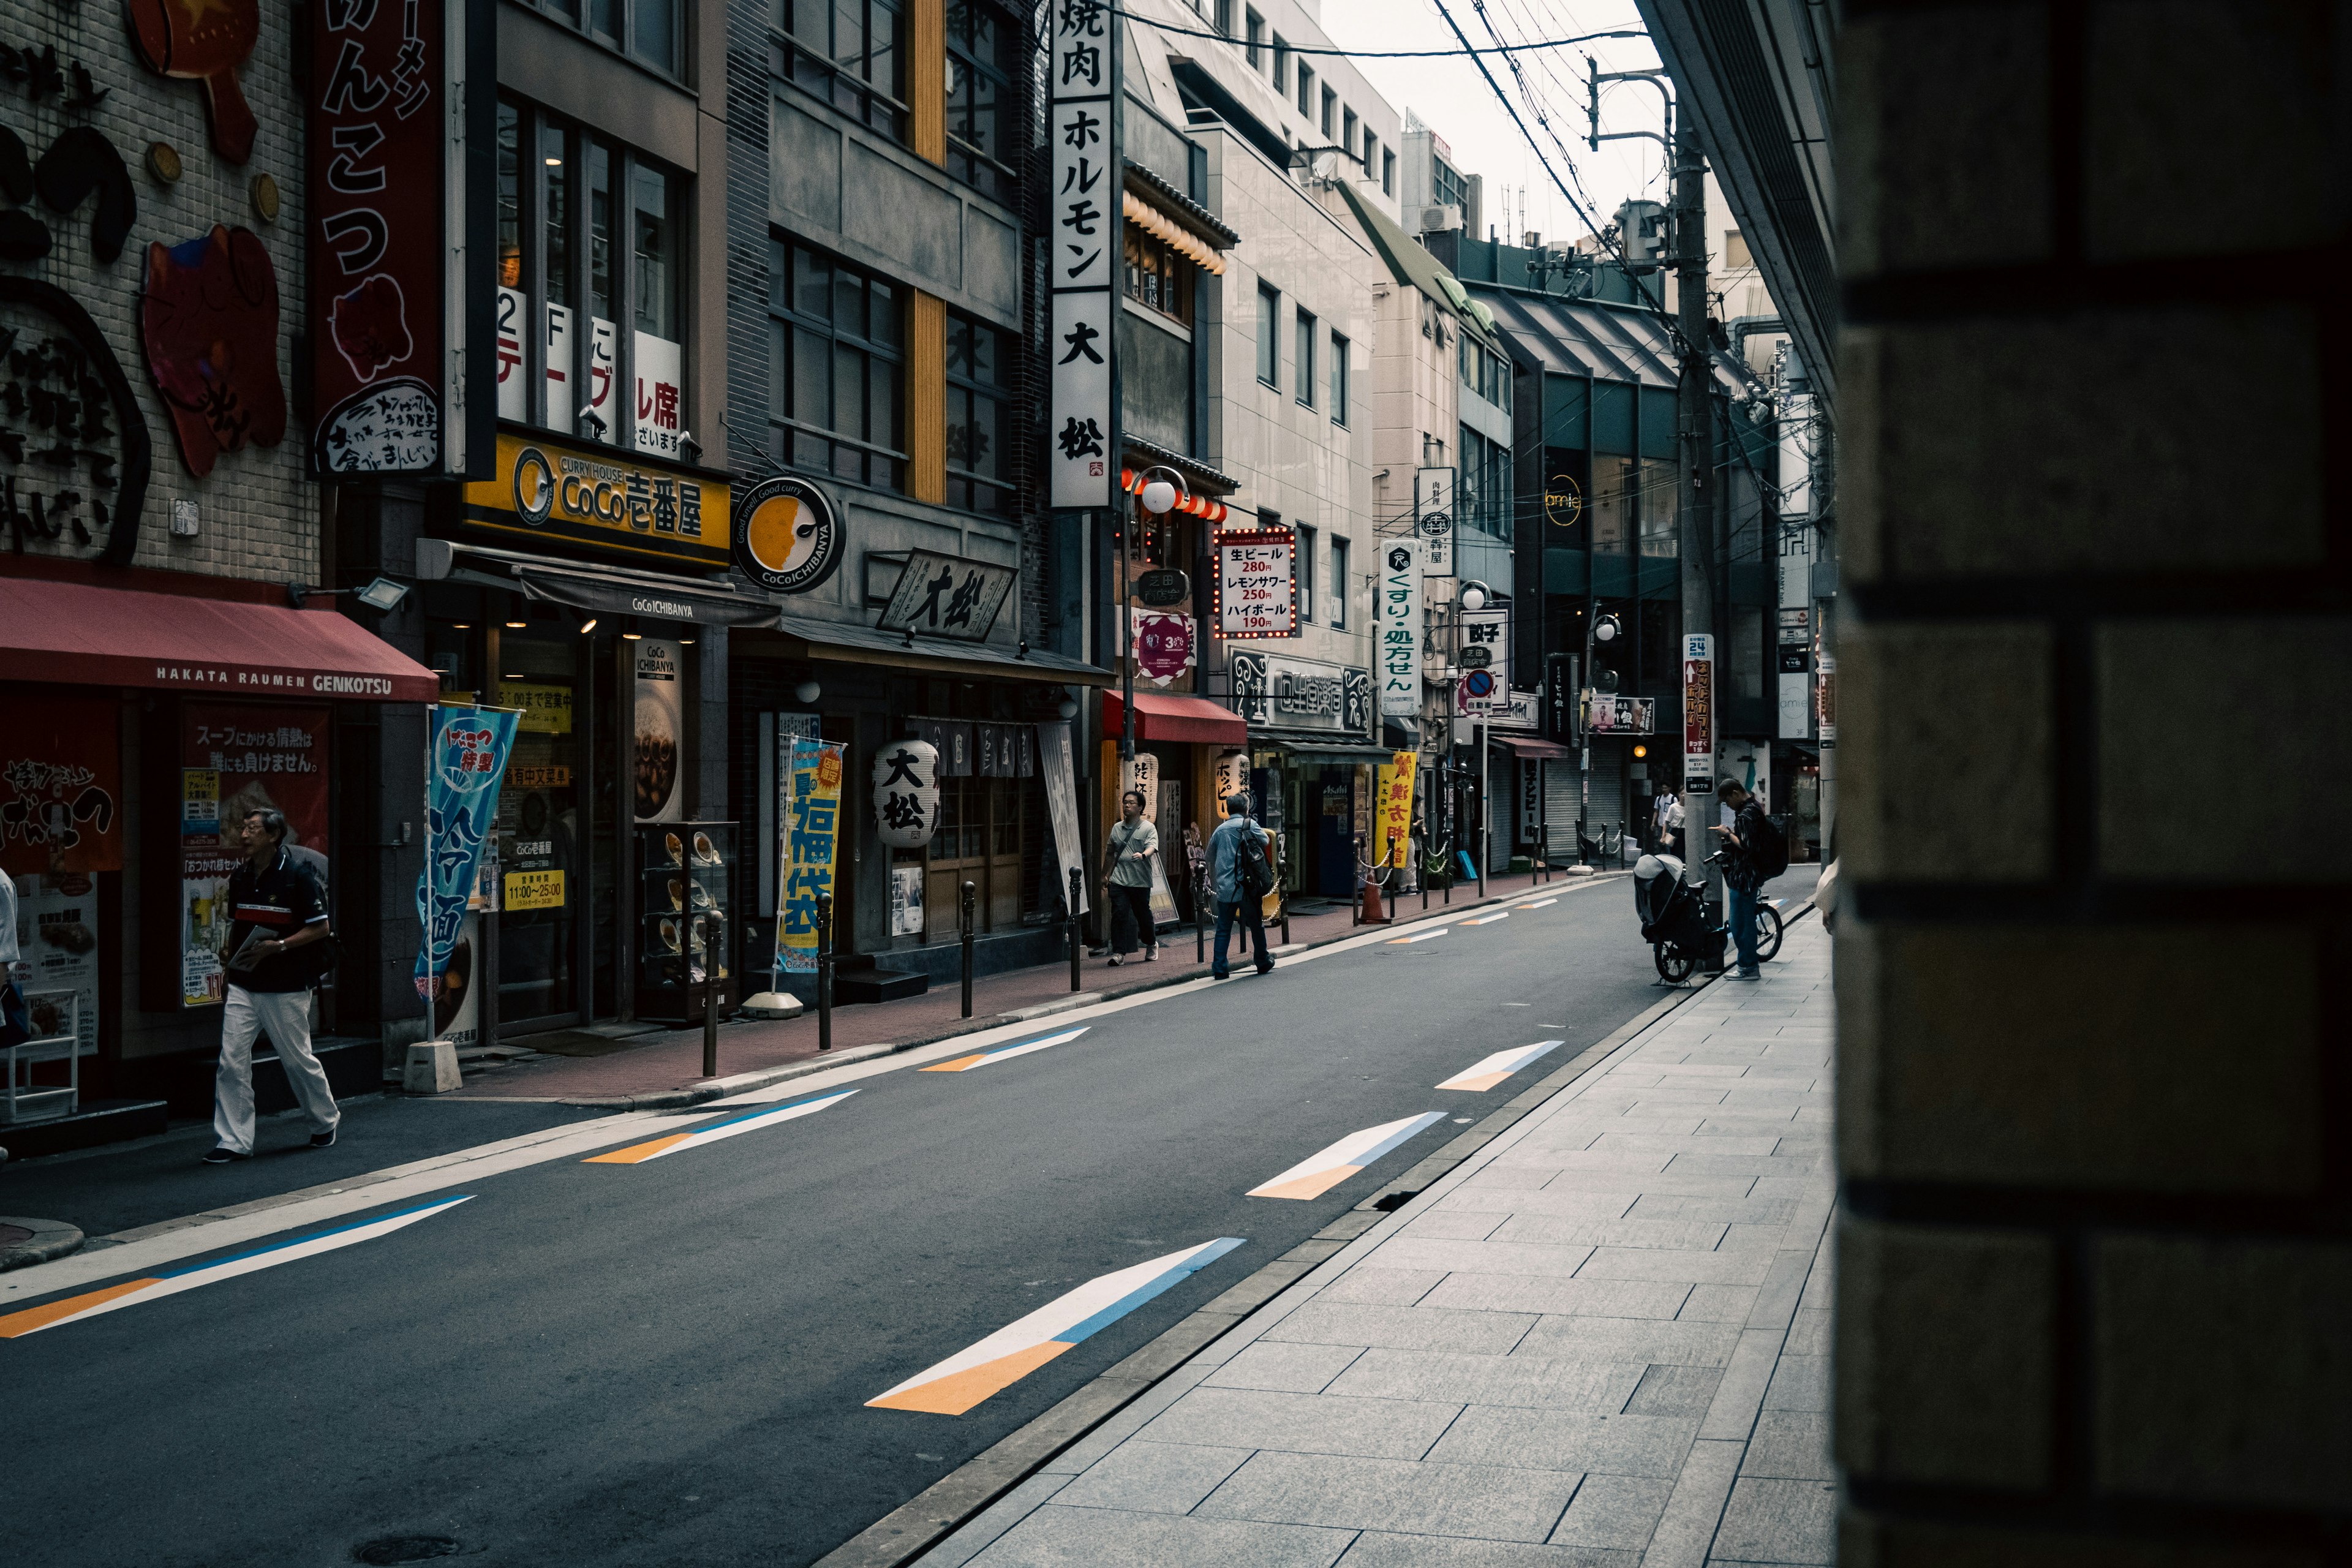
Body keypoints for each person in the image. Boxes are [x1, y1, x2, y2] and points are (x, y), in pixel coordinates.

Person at [205, 807, 340, 1163]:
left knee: (296, 1059)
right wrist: (229, 966)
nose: (244, 835)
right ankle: (234, 1140)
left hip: (288, 984)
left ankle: (324, 1120)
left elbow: (321, 927)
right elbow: (237, 925)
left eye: (252, 829)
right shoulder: (240, 877)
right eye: (243, 828)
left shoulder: (298, 876)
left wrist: (278, 946)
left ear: (273, 836)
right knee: (231, 1061)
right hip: (245, 984)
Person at [1711, 778, 1775, 981]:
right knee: (1744, 920)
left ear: (1736, 793)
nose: (1727, 805)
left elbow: (1746, 845)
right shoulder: (1755, 807)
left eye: (1727, 800)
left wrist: (1728, 834)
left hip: (1744, 875)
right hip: (1750, 873)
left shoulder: (1747, 814)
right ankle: (1748, 965)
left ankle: (1748, 966)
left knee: (1741, 923)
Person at [1208, 792, 1275, 980]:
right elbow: (1265, 841)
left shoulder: (1220, 830)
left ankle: (1220, 967)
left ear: (1228, 810)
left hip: (1226, 887)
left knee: (1223, 928)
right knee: (1256, 925)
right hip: (1247, 886)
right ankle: (1262, 960)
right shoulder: (1249, 825)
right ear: (1246, 809)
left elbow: (1210, 856)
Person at [1099, 790, 1159, 966]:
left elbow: (1152, 847)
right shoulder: (1117, 828)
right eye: (1125, 802)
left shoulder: (1148, 828)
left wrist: (1143, 855)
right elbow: (1110, 853)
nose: (1127, 805)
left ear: (1140, 807)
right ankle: (1119, 952)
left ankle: (1150, 943)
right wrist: (1104, 875)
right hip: (1119, 879)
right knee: (1119, 914)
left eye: (1131, 803)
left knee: (1143, 915)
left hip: (1140, 881)